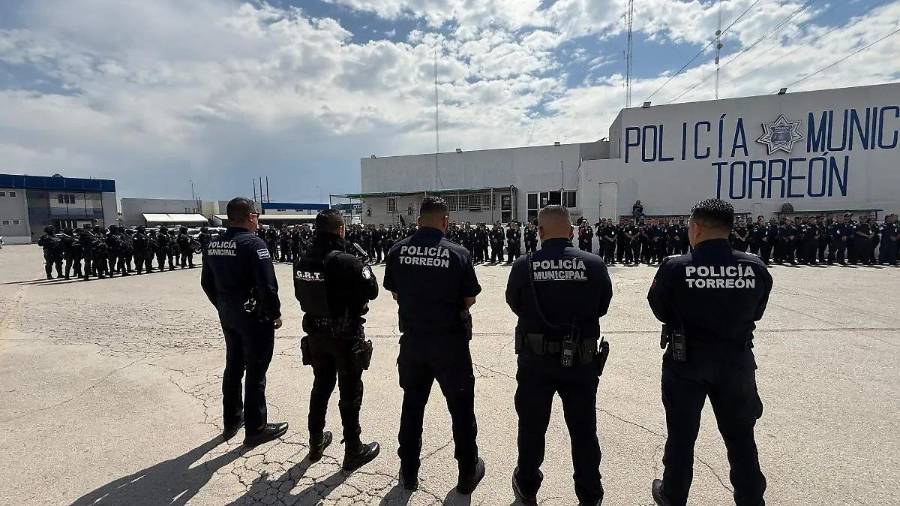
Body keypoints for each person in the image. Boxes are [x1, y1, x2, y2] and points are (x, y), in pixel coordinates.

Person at [647, 199, 772, 506]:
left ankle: (673, 495)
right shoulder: (754, 267)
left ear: (697, 228)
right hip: (736, 361)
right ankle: (751, 498)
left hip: (686, 361)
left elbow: (659, 308)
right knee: (741, 437)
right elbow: (757, 311)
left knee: (681, 436)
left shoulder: (676, 267)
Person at [505, 205, 613, 505]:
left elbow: (515, 303)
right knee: (583, 431)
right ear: (571, 231)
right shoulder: (593, 264)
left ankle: (527, 485)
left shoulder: (523, 266)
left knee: (531, 427)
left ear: (538, 232)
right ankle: (590, 493)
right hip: (580, 362)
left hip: (535, 362)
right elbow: (602, 305)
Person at [383, 196, 485, 494]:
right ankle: (467, 473)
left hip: (414, 342)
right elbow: (470, 299)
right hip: (450, 344)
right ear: (445, 221)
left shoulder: (397, 251)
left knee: (412, 406)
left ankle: (409, 472)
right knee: (461, 409)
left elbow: (395, 293)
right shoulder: (459, 253)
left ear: (418, 220)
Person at [294, 209, 381, 470]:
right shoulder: (346, 261)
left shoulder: (303, 260)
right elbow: (373, 291)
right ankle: (353, 449)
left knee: (321, 386)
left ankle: (315, 441)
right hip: (344, 335)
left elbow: (301, 296)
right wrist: (360, 266)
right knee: (350, 392)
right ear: (341, 230)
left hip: (316, 333)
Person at [200, 197, 288, 447]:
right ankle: (256, 428)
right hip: (253, 317)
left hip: (228, 314)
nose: (257, 220)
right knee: (256, 371)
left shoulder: (213, 244)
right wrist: (275, 313)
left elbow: (206, 283)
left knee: (234, 366)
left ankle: (231, 420)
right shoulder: (253, 244)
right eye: (256, 216)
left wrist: (224, 306)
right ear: (250, 217)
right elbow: (268, 286)